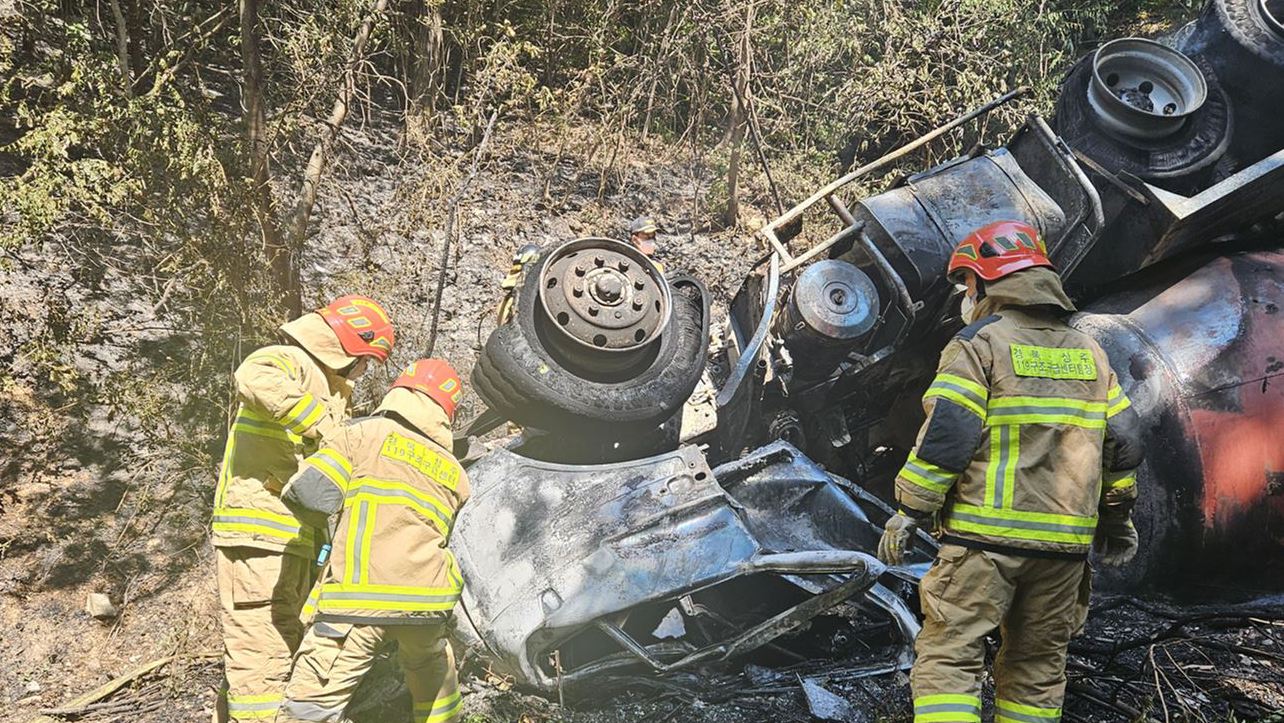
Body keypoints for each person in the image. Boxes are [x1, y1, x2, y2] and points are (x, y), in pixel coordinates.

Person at [876, 221, 1143, 723]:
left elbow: (948, 438)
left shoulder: (979, 344)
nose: (965, 295)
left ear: (984, 282)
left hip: (984, 544)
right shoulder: (1090, 352)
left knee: (950, 658)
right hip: (1063, 552)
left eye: (967, 284)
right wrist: (1117, 520)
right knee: (1037, 669)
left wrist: (910, 509)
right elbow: (1124, 444)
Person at [213, 295, 395, 722]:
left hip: (295, 538)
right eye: (365, 359)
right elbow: (252, 375)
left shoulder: (331, 389)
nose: (364, 370)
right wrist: (330, 430)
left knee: (284, 642)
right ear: (348, 344)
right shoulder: (289, 360)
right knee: (262, 654)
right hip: (259, 535)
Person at [274, 359, 470, 723]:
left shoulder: (363, 434)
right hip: (428, 604)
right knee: (435, 696)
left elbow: (310, 497)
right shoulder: (455, 472)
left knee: (309, 706)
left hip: (360, 600)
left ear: (401, 390)